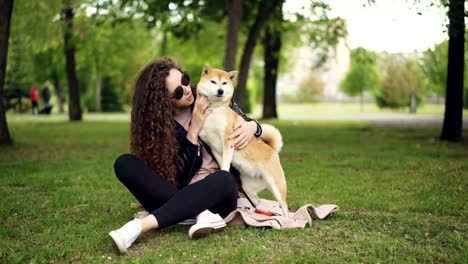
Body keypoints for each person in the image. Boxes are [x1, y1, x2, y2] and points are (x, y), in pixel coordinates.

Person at [109, 57, 262, 254]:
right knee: (124, 163)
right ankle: (197, 213)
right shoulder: (157, 127)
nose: (187, 89)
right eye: (178, 92)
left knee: (224, 178)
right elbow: (179, 179)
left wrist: (253, 126)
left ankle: (140, 227)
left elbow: (246, 121)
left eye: (185, 80)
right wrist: (193, 130)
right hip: (179, 192)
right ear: (162, 101)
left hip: (218, 194)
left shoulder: (210, 92)